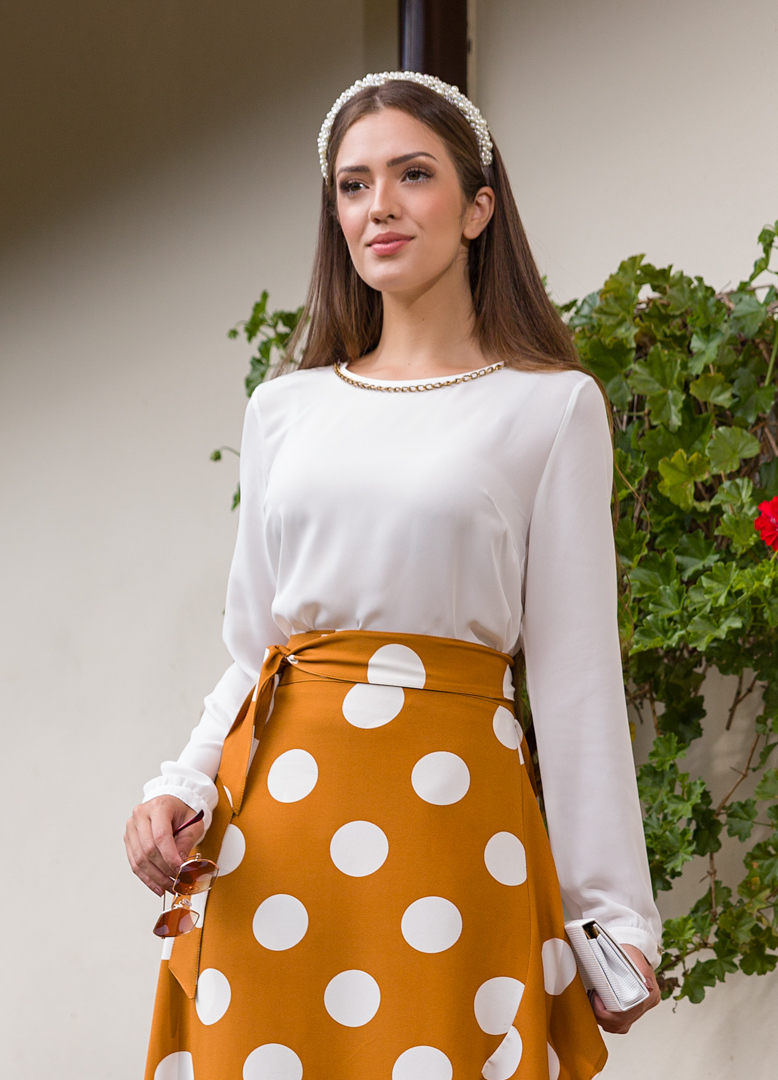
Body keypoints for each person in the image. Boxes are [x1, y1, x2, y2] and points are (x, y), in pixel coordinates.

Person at [126, 72, 661, 1080]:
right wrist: (181, 783)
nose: (379, 205)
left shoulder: (551, 408)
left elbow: (576, 676)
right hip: (275, 830)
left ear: (476, 208)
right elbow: (257, 649)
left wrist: (611, 913)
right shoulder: (284, 409)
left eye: (412, 175)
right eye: (353, 184)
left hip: (450, 826)